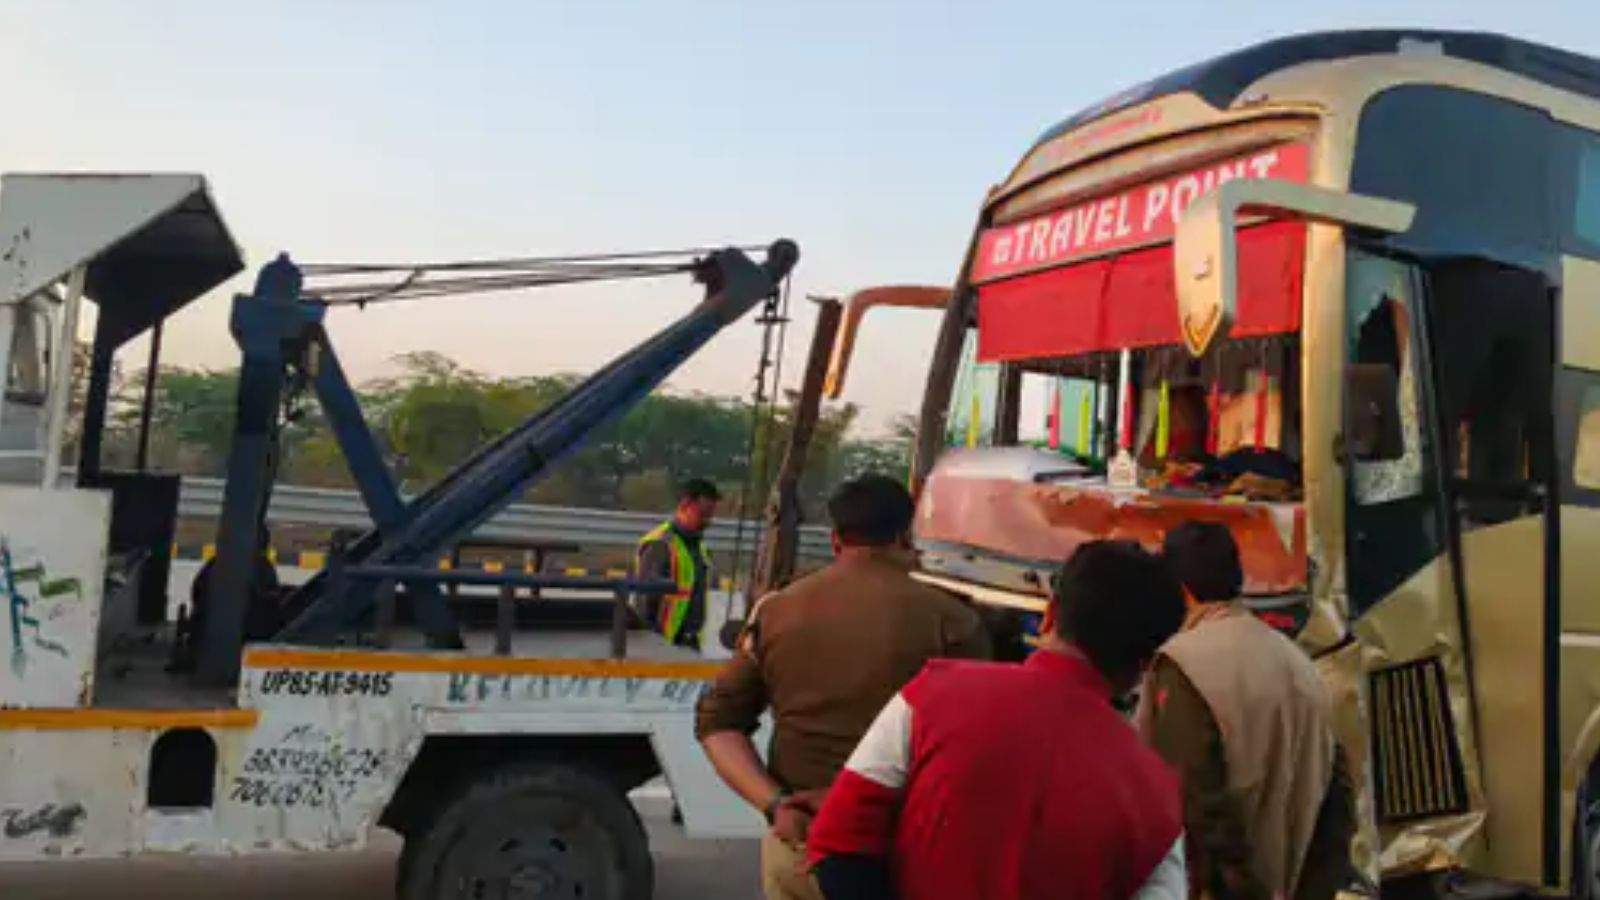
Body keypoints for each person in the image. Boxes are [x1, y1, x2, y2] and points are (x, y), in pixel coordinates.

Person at [806, 539, 1189, 900]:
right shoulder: (1157, 796)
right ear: (1147, 662)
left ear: (1050, 615)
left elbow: (838, 844)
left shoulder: (931, 697)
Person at [696, 474, 991, 900]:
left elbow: (717, 724)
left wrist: (776, 804)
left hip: (799, 845)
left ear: (836, 540)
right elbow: (975, 752)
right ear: (906, 537)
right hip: (901, 851)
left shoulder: (777, 612)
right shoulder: (953, 621)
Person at [1140, 522, 1354, 900]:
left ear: (1181, 591)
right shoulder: (1297, 661)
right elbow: (1336, 801)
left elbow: (1192, 807)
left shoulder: (1185, 664)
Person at [634, 478, 720, 649]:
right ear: (685, 505)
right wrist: (652, 644)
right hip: (662, 643)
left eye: (710, 515)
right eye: (703, 514)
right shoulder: (660, 543)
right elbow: (646, 600)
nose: (708, 521)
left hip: (689, 641)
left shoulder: (699, 546)